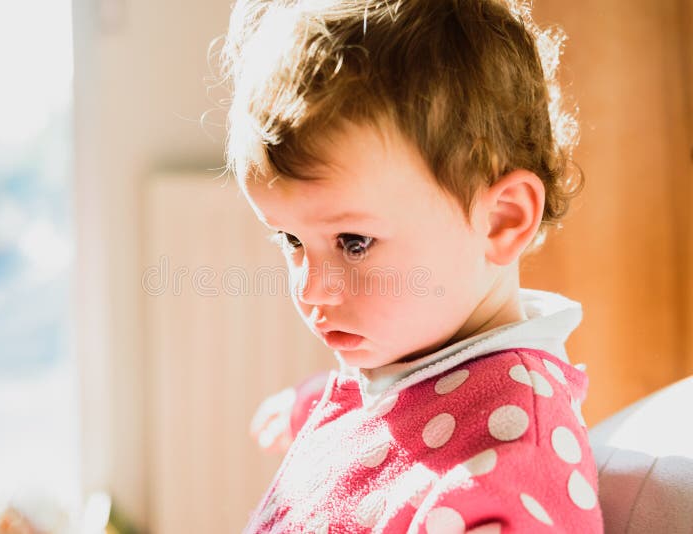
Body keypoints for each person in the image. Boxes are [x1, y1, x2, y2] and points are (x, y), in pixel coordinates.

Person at [220, 0, 603, 531]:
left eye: (353, 242)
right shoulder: (419, 347)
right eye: (290, 239)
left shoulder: (513, 454)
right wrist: (310, 405)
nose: (311, 290)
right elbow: (387, 404)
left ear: (500, 220)